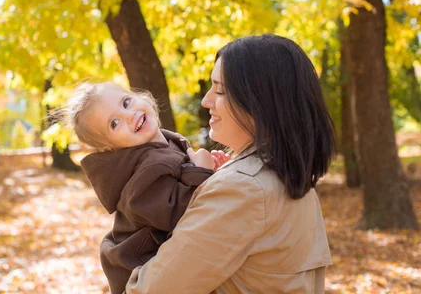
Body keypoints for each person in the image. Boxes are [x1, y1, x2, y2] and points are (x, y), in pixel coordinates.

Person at [126, 34, 335, 293]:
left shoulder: (242, 189)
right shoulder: (291, 178)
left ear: (260, 102)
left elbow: (152, 290)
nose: (206, 101)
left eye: (221, 90)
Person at [61, 82, 228, 294]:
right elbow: (179, 216)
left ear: (140, 96)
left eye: (126, 102)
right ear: (110, 148)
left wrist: (210, 171)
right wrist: (201, 171)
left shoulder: (166, 142)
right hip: (142, 269)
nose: (128, 115)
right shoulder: (144, 172)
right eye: (114, 123)